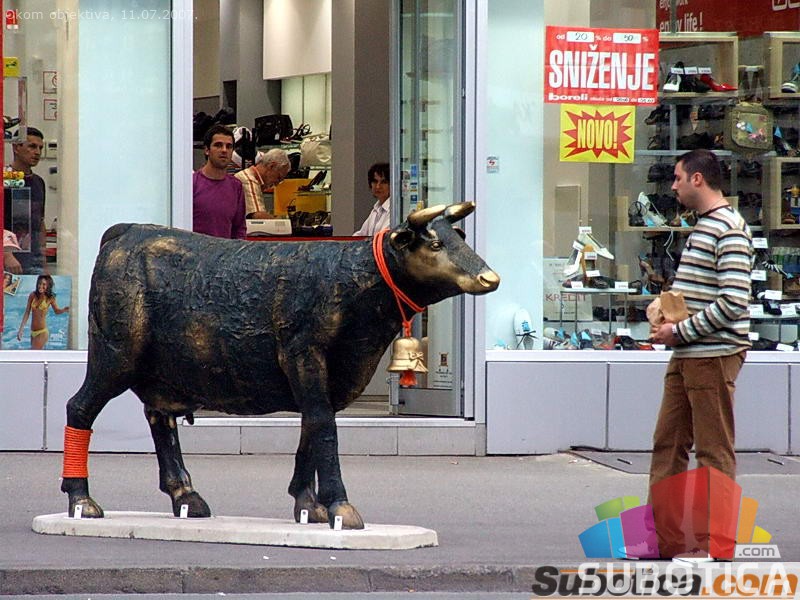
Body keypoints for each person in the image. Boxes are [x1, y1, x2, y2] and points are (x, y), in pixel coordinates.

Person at [648, 149, 753, 559]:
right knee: (668, 443)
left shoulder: (729, 228)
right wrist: (663, 309)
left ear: (697, 179)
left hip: (713, 354)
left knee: (713, 449)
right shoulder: (705, 226)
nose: (673, 186)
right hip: (689, 353)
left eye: (677, 178)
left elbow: (733, 302)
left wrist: (679, 331)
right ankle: (665, 541)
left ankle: (718, 544)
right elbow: (700, 293)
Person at [3, 127, 46, 274]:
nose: (37, 152)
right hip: (8, 259)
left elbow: (40, 222)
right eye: (32, 146)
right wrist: (6, 253)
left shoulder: (39, 182)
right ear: (16, 147)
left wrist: (43, 261)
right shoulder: (5, 179)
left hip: (33, 260)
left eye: (40, 148)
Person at [193, 124, 246, 239]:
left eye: (229, 146)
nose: (224, 150)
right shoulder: (193, 183)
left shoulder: (236, 186)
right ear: (207, 150)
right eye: (218, 145)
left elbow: (239, 229)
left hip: (225, 250)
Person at [234, 148, 291, 219]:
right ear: (271, 166)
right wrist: (280, 221)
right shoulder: (248, 180)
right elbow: (258, 216)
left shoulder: (254, 179)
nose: (276, 184)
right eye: (278, 178)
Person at [17, 274, 69, 350]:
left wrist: (63, 310)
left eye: (44, 284)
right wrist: (21, 329)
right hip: (33, 332)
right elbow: (27, 312)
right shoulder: (32, 295)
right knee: (36, 355)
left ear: (48, 286)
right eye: (39, 283)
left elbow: (56, 311)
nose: (41, 286)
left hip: (42, 332)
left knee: (33, 354)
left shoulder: (50, 298)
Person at [354, 162, 390, 236]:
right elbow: (361, 235)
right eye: (375, 181)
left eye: (383, 182)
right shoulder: (376, 209)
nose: (378, 186)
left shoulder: (394, 211)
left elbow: (383, 237)